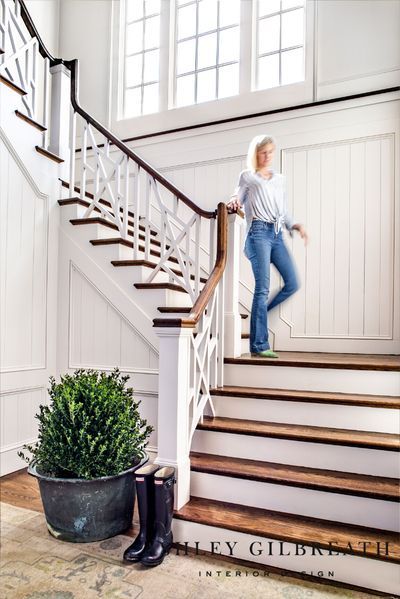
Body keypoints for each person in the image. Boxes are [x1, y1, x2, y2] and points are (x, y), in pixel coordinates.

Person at [227, 135, 308, 359]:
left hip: (277, 234)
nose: (267, 156)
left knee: (292, 282)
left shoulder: (280, 179)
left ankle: (259, 313)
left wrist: (295, 225)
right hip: (258, 234)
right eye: (263, 152)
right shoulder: (247, 177)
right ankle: (259, 345)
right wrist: (233, 203)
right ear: (255, 154)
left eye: (271, 152)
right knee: (262, 288)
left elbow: (283, 209)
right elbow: (237, 198)